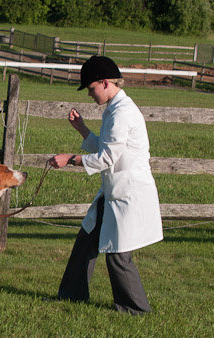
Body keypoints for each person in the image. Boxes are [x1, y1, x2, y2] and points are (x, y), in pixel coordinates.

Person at [48, 56, 163, 315]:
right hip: (113, 192)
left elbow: (107, 158)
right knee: (86, 241)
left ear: (105, 82)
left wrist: (70, 159)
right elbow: (107, 148)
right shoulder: (114, 109)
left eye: (90, 88)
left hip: (128, 194)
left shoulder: (122, 112)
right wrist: (83, 130)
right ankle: (71, 297)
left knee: (118, 255)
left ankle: (136, 310)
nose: (90, 94)